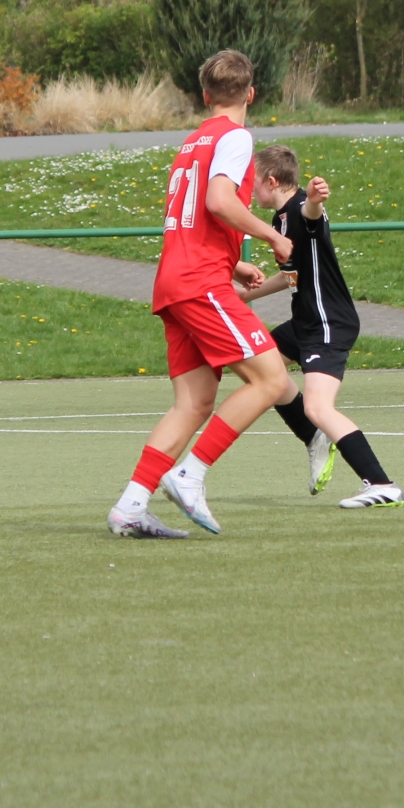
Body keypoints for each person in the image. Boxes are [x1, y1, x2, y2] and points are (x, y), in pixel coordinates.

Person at [106, 50, 294, 539]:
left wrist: (234, 262)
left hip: (176, 280)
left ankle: (130, 507)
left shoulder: (192, 143)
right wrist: (272, 237)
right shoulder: (235, 137)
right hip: (199, 283)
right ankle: (190, 474)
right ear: (251, 94)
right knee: (271, 379)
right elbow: (218, 201)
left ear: (205, 95)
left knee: (193, 404)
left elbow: (193, 218)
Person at [240, 145, 404, 508]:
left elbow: (312, 214)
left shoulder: (300, 209)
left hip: (327, 323)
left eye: (253, 182)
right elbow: (292, 276)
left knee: (318, 406)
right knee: (257, 364)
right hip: (305, 321)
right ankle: (314, 437)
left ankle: (381, 483)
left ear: (270, 181)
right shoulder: (279, 219)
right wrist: (244, 297)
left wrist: (315, 198)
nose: (249, 189)